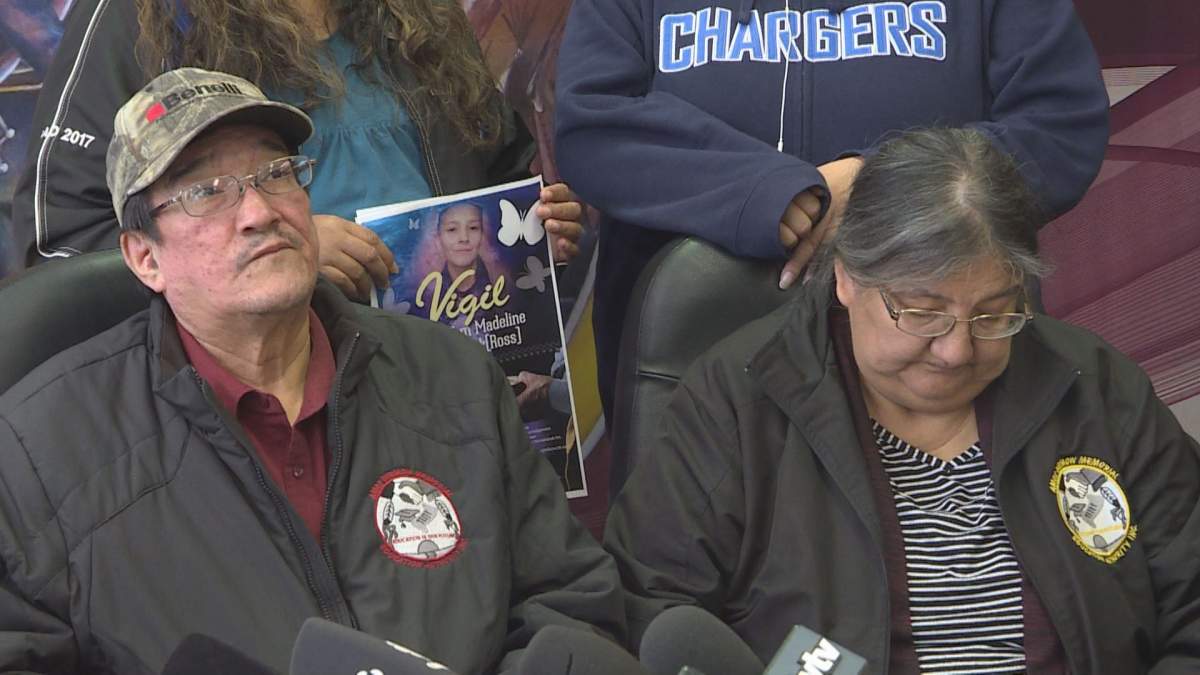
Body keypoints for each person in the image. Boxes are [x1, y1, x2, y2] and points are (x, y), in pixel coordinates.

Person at [0, 68, 624, 675]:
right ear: (144, 258)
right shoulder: (41, 452)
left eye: (274, 174)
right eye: (206, 191)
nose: (258, 211)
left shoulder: (451, 373)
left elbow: (569, 600)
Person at [604, 128, 1200, 673]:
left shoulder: (1094, 385)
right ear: (846, 278)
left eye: (994, 314)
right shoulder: (735, 400)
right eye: (923, 313)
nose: (957, 351)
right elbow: (651, 609)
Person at [553, 0, 1111, 448]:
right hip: (704, 391)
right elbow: (593, 126)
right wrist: (766, 190)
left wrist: (878, 186)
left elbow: (1059, 128)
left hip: (948, 370)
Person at [11, 0, 584, 299]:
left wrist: (530, 228)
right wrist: (280, 251)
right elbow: (62, 239)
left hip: (434, 365)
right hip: (245, 394)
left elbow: (498, 168)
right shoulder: (144, 17)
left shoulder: (420, 18)